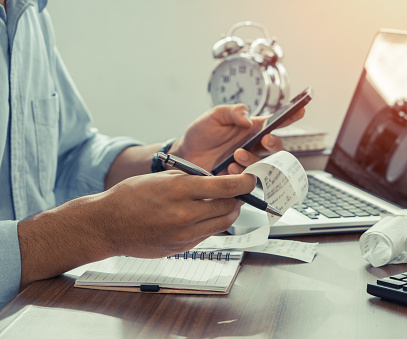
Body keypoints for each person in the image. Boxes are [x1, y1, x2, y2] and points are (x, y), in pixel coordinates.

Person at [0, 0, 304, 308]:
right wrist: (97, 229)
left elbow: (67, 158)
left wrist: (176, 154)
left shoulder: (28, 14)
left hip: (37, 305)